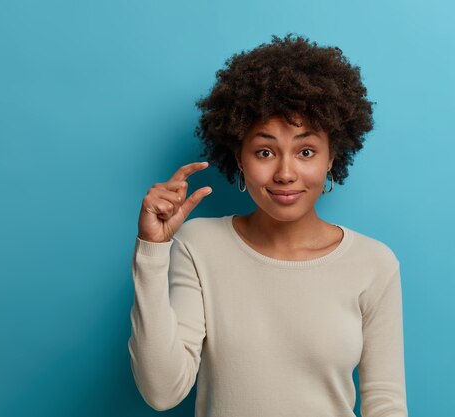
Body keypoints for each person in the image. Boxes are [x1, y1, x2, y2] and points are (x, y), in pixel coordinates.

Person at [128, 33, 408, 417]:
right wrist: (152, 250)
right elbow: (162, 391)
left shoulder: (373, 263)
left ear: (331, 158)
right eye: (265, 152)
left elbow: (385, 403)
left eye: (306, 151)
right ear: (239, 158)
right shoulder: (200, 244)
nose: (286, 172)